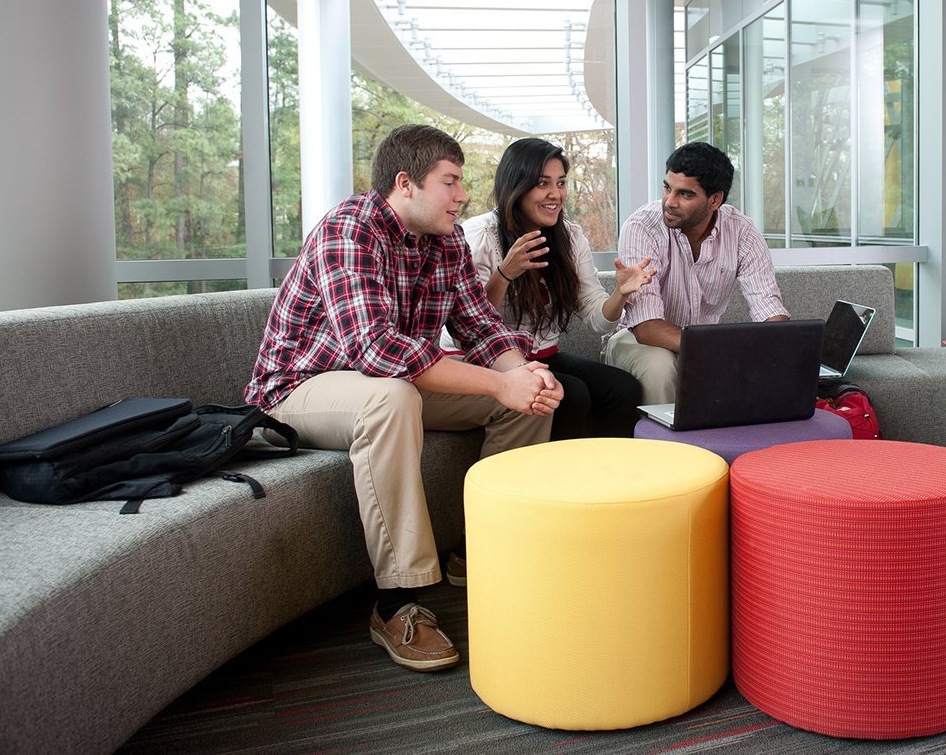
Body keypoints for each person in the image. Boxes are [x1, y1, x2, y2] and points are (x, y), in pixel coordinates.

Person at [244, 124, 562, 671]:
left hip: (389, 383)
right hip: (299, 387)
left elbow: (481, 327)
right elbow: (376, 349)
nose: (463, 195)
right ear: (405, 184)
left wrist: (523, 374)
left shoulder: (447, 240)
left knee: (519, 400)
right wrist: (498, 381)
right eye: (451, 182)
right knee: (391, 397)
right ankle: (396, 604)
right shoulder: (348, 231)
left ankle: (488, 551)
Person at [458, 138, 654, 439]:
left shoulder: (570, 236)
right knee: (571, 393)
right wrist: (505, 274)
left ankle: (610, 475)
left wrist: (620, 293)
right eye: (542, 183)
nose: (555, 194)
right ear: (516, 186)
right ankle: (562, 481)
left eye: (561, 183)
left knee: (623, 388)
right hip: (492, 359)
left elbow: (596, 317)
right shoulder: (480, 234)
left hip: (544, 354)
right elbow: (470, 323)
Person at [604, 141, 789, 404]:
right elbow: (646, 327)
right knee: (660, 365)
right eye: (667, 188)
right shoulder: (642, 227)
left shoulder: (742, 232)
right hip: (634, 340)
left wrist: (779, 345)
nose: (669, 201)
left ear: (715, 199)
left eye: (685, 194)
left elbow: (768, 308)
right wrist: (719, 350)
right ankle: (664, 445)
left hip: (701, 343)